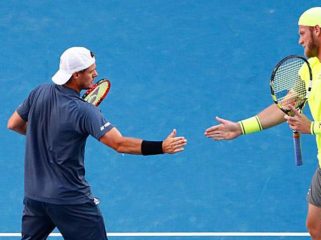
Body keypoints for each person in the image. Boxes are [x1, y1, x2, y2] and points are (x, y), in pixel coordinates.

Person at [204, 7, 321, 240]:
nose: (300, 40)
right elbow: (285, 105)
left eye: (302, 33)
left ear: (317, 31)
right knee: (315, 226)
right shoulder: (313, 66)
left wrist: (311, 127)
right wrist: (241, 127)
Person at [7, 46, 187, 240]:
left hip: (35, 197)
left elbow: (13, 124)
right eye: (91, 71)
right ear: (76, 75)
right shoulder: (84, 111)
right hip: (71, 201)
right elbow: (120, 144)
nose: (96, 74)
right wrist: (161, 147)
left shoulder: (39, 92)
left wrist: (48, 138)